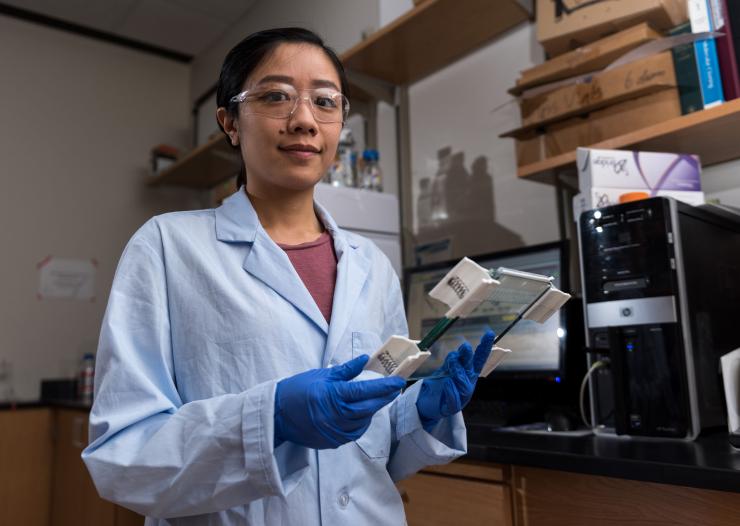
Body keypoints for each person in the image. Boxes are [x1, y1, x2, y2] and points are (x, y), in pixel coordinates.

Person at [82, 27, 494, 525]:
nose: (303, 120)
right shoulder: (168, 246)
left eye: (325, 101)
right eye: (276, 96)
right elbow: (123, 456)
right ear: (230, 123)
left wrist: (423, 411)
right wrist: (270, 418)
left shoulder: (371, 266)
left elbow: (374, 447)